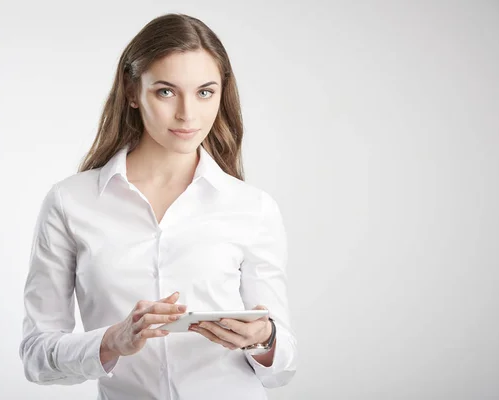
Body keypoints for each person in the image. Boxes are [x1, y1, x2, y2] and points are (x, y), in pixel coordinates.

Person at [18, 13, 297, 400]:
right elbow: (36, 357)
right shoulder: (70, 203)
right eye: (166, 91)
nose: (187, 114)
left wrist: (264, 339)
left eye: (205, 92)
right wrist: (111, 340)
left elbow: (282, 367)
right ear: (133, 92)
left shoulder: (252, 208)